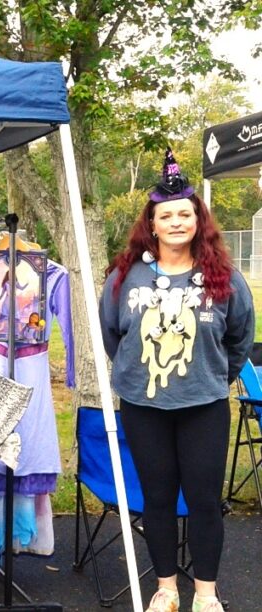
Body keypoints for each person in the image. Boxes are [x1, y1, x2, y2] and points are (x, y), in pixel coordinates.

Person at [99, 148, 254, 612]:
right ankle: (166, 589)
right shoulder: (125, 276)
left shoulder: (224, 277)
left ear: (197, 220)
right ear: (152, 223)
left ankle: (205, 594)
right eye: (166, 215)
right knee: (158, 498)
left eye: (184, 214)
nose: (176, 222)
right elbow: (113, 334)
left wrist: (212, 376)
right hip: (144, 407)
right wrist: (138, 372)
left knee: (204, 501)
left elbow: (239, 337)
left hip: (203, 406)